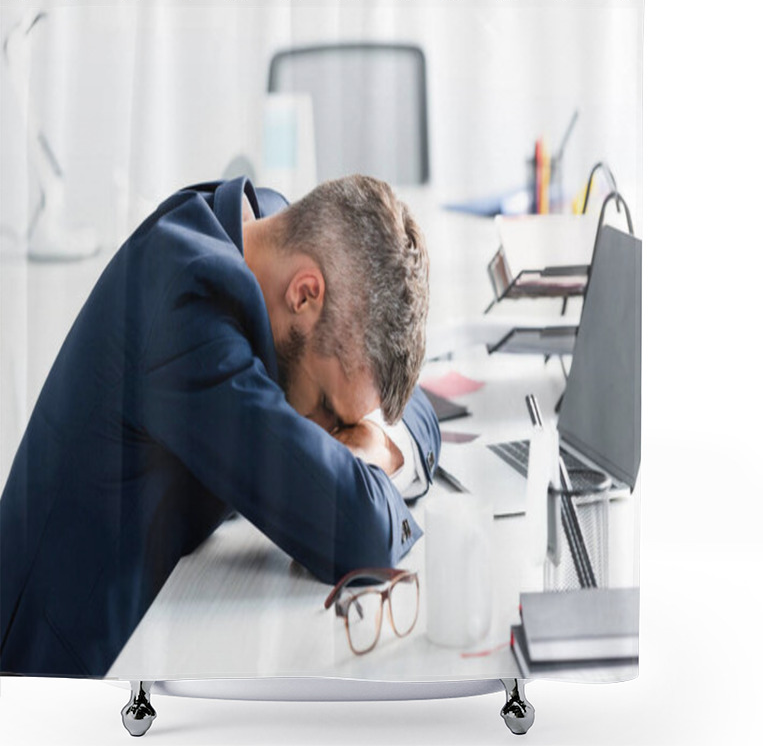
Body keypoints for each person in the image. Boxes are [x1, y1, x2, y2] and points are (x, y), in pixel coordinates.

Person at [0, 175, 440, 678]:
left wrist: (376, 439)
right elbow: (359, 534)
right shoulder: (186, 308)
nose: (329, 434)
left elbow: (422, 404)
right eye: (326, 405)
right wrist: (377, 455)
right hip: (62, 679)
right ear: (305, 294)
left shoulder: (275, 236)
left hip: (162, 628)